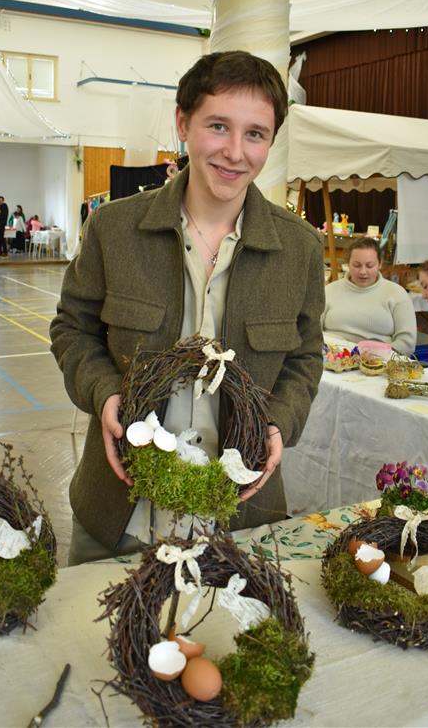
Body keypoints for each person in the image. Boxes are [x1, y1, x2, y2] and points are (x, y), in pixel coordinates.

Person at [50, 50, 325, 564]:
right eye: (218, 126)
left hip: (240, 516)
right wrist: (105, 394)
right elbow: (73, 329)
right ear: (183, 122)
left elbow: (306, 357)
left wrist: (279, 422)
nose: (235, 153)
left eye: (255, 134)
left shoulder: (300, 249)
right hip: (119, 512)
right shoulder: (114, 229)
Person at [322, 236, 417, 354]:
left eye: (369, 266)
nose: (363, 272)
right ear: (348, 264)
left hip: (379, 364)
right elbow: (312, 332)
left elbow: (407, 344)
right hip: (331, 359)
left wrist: (373, 355)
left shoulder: (397, 294)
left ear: (380, 264)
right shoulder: (329, 291)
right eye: (356, 265)